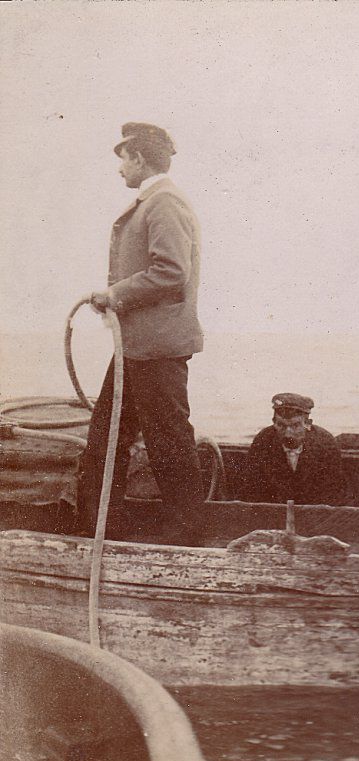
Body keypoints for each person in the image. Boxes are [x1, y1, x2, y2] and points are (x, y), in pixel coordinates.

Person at [76, 122, 205, 545]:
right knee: (105, 439)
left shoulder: (163, 203)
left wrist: (113, 295)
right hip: (137, 347)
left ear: (140, 159)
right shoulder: (154, 202)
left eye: (123, 159)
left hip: (157, 349)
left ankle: (184, 539)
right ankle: (98, 531)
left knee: (167, 443)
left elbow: (171, 273)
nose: (119, 170)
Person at [238, 393, 347, 505]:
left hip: (313, 515)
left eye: (295, 426)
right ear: (273, 422)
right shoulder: (263, 441)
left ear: (308, 424)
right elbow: (252, 489)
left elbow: (333, 491)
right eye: (281, 425)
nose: (288, 434)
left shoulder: (325, 443)